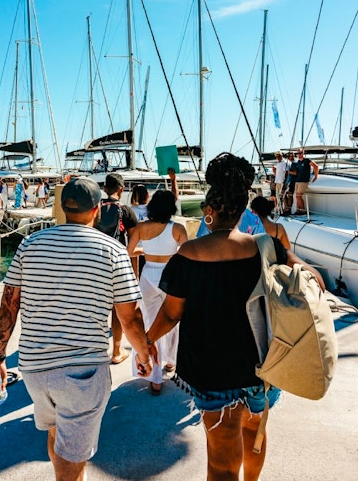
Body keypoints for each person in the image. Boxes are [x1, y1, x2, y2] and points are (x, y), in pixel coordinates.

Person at [144, 152, 324, 481]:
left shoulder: (188, 256)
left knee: (221, 462)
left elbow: (171, 314)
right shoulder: (267, 247)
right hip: (262, 366)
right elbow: (314, 281)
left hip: (211, 371)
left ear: (209, 212)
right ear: (242, 211)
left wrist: (146, 342)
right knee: (254, 434)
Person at [0, 177, 153, 481]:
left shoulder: (29, 244)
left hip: (35, 371)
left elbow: (9, 306)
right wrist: (143, 354)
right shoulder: (112, 250)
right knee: (71, 462)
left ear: (62, 206)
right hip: (82, 375)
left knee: (57, 435)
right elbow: (130, 318)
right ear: (97, 209)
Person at [127, 190, 188, 395]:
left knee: (150, 323)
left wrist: (147, 251)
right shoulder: (178, 228)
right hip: (171, 276)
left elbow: (129, 252)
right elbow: (187, 254)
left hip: (148, 275)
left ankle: (155, 378)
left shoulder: (142, 227)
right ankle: (171, 362)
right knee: (172, 320)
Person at [96, 172, 138, 365]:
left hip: (95, 262)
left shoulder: (95, 209)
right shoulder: (126, 211)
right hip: (117, 263)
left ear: (105, 189)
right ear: (121, 190)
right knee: (116, 308)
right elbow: (133, 241)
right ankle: (116, 351)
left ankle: (94, 350)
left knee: (96, 307)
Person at [294, 148, 319, 214]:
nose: (298, 155)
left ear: (303, 153)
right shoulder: (298, 162)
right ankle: (298, 210)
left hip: (303, 181)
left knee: (298, 196)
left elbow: (316, 166)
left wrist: (316, 177)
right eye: (297, 153)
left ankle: (303, 211)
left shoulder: (307, 161)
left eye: (300, 153)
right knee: (297, 196)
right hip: (297, 181)